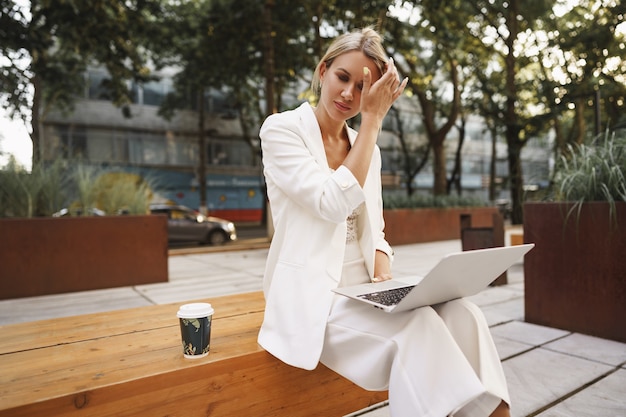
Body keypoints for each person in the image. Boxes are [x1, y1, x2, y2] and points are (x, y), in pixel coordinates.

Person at [258, 27, 511, 417]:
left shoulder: (365, 150)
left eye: (363, 89)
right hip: (315, 299)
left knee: (465, 314)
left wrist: (386, 275)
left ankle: (496, 412)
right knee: (420, 330)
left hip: (364, 293)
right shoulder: (282, 130)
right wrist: (373, 121)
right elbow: (329, 204)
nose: (349, 95)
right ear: (323, 71)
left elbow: (373, 229)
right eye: (343, 78)